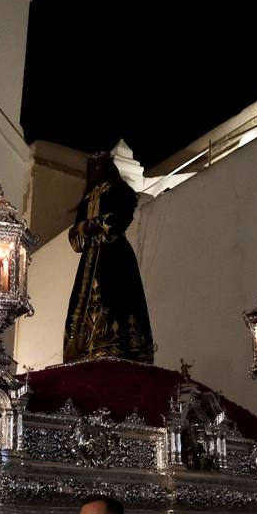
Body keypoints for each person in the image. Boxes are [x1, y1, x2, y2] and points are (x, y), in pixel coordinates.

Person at [62, 152, 155, 363]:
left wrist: (88, 227)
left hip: (115, 257)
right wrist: (90, 227)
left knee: (116, 299)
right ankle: (82, 349)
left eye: (99, 165)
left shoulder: (120, 191)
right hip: (89, 260)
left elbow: (120, 219)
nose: (96, 170)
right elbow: (74, 236)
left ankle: (117, 347)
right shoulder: (86, 200)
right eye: (92, 166)